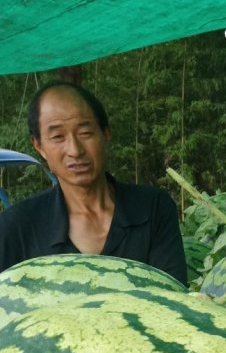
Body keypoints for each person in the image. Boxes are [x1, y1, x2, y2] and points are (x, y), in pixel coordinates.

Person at [0, 80, 188, 285]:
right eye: (57, 136)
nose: (75, 150)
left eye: (85, 133)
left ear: (106, 133)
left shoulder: (153, 209)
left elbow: (173, 299)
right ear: (39, 146)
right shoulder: (15, 228)